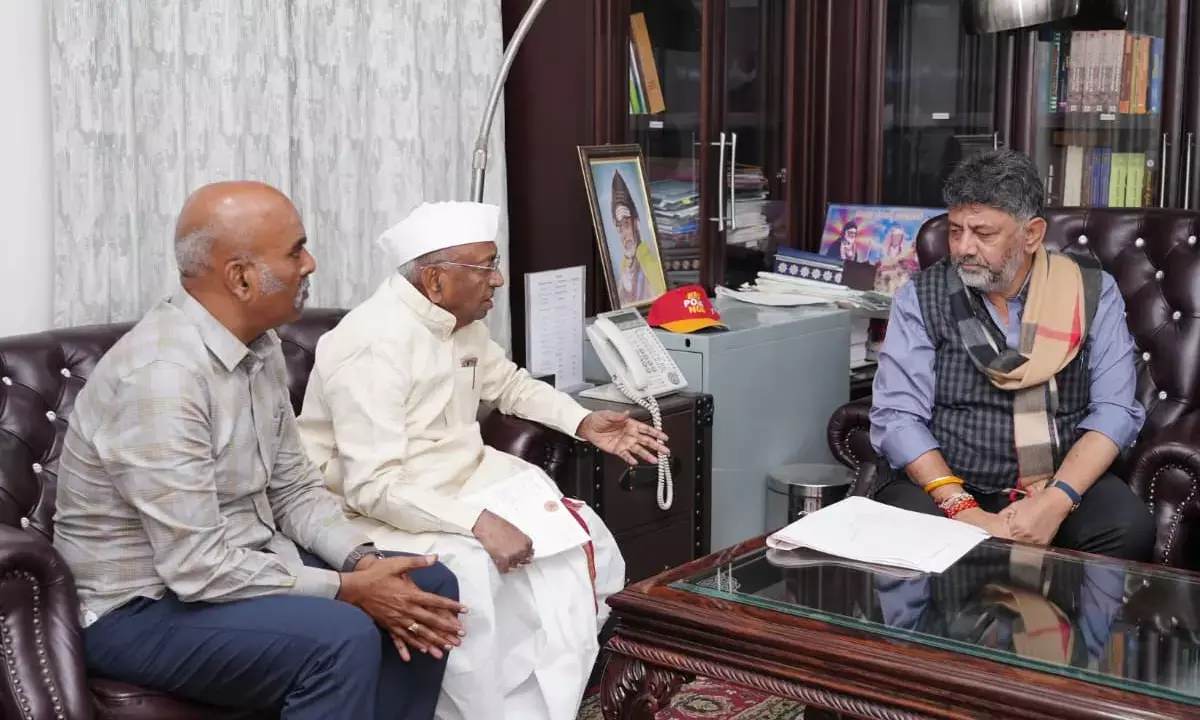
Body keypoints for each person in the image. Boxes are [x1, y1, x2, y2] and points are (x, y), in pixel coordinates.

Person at [52, 182, 464, 720]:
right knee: (341, 635)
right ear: (241, 278)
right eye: (296, 251)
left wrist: (364, 563)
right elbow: (196, 568)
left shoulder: (260, 344)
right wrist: (348, 589)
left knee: (428, 585)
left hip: (238, 565)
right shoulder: (162, 378)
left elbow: (293, 490)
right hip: (140, 606)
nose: (310, 264)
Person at [297, 200, 670, 720]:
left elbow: (510, 385)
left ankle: (549, 700)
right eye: (486, 267)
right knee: (474, 573)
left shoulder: (461, 321)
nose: (498, 280)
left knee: (581, 535)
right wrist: (478, 522)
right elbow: (373, 486)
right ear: (435, 281)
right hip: (380, 506)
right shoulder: (370, 344)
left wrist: (583, 422)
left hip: (466, 480)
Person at [868, 148, 1155, 562]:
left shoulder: (1089, 291)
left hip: (1060, 480)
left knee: (1126, 527)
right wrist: (966, 512)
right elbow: (898, 417)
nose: (964, 247)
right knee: (899, 526)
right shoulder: (921, 296)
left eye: (983, 234)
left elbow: (1114, 410)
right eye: (955, 231)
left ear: (1031, 234)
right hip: (951, 482)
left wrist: (1055, 501)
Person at [610, 169, 667, 306]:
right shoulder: (625, 266)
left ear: (637, 223)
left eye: (626, 224)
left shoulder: (651, 265)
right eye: (619, 228)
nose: (624, 235)